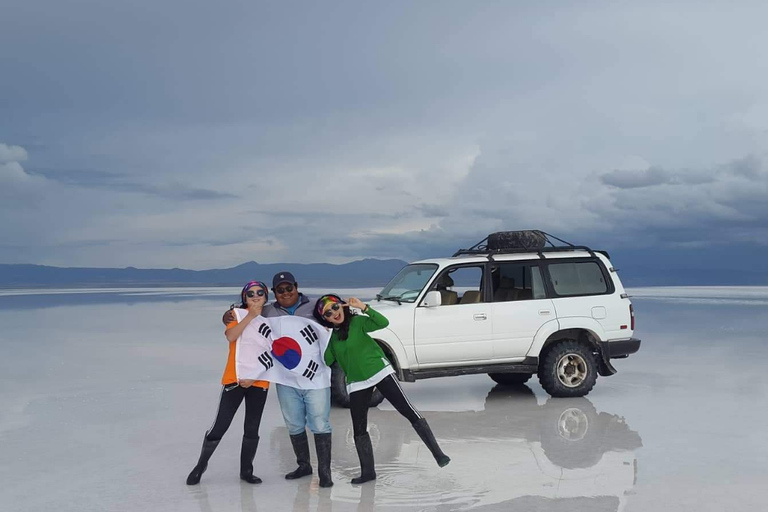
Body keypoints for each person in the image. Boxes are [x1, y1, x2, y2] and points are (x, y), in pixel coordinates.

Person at [313, 294, 450, 484]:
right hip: (357, 383)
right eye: (328, 313)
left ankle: (438, 454)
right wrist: (326, 335)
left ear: (342, 306)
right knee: (359, 429)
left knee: (407, 410)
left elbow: (382, 322)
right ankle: (368, 472)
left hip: (380, 372)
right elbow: (327, 360)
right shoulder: (333, 338)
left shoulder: (358, 322)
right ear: (325, 318)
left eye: (335, 307)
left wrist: (364, 307)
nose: (334, 313)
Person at [222, 271, 333, 488]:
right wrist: (227, 314)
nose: (285, 293)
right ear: (274, 293)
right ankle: (303, 466)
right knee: (293, 423)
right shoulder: (268, 310)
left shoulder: (314, 307)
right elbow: (246, 311)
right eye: (280, 290)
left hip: (315, 378)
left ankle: (325, 472)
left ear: (296, 286)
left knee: (320, 422)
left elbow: (336, 315)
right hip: (286, 379)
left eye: (289, 288)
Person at [186, 281, 271, 485]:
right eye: (250, 294)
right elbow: (231, 336)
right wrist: (250, 315)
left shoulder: (273, 318)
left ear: (266, 296)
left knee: (252, 428)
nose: (256, 296)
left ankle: (246, 471)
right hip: (234, 379)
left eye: (260, 293)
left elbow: (277, 350)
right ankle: (201, 465)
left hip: (259, 381)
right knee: (220, 426)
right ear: (244, 298)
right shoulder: (237, 315)